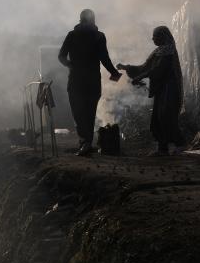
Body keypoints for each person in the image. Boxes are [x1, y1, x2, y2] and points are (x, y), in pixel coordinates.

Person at [58, 9, 121, 155]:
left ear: (80, 19)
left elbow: (61, 56)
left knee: (78, 112)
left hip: (75, 80)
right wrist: (114, 73)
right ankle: (86, 142)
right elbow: (104, 58)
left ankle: (85, 142)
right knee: (89, 112)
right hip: (93, 80)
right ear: (93, 19)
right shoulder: (99, 36)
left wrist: (70, 65)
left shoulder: (72, 35)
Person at [117, 25, 184, 156]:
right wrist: (126, 67)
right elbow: (144, 67)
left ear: (162, 37)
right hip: (161, 90)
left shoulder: (168, 52)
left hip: (169, 90)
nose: (153, 39)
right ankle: (162, 148)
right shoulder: (158, 52)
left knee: (167, 118)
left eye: (155, 36)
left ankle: (180, 144)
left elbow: (158, 70)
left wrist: (141, 77)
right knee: (158, 119)